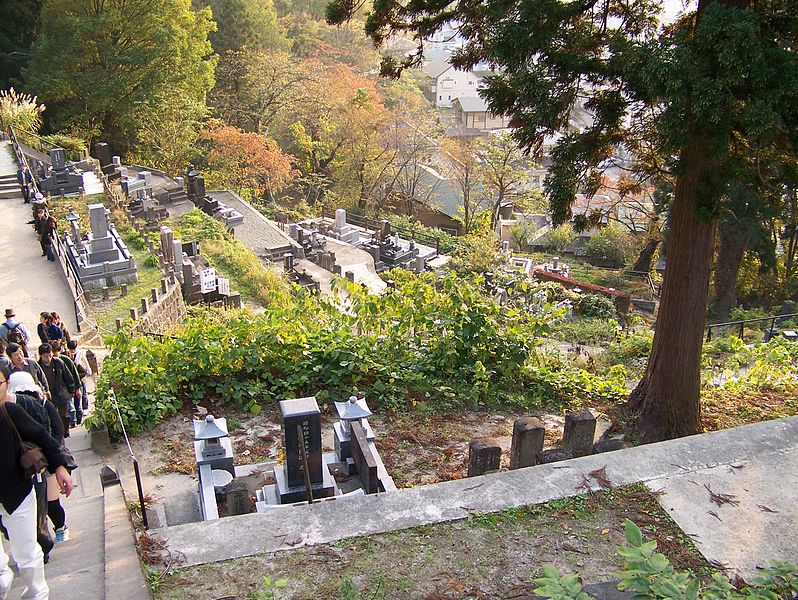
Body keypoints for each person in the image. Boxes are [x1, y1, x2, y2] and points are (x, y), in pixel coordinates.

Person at [0, 371, 73, 600]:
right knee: (2, 574)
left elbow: (42, 435)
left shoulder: (9, 411)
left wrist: (60, 467)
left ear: (7, 384)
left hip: (17, 492)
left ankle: (36, 595)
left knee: (27, 553)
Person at [7, 372, 64, 561]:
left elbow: (46, 431)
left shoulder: (25, 405)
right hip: (19, 474)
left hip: (34, 467)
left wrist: (53, 461)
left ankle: (43, 545)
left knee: (42, 507)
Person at [37, 344, 74, 437]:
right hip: (48, 395)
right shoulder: (38, 366)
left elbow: (68, 376)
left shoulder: (58, 362)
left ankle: (65, 431)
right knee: (52, 415)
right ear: (41, 355)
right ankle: (57, 433)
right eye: (46, 356)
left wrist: (71, 390)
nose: (48, 358)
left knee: (64, 415)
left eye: (50, 355)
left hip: (60, 392)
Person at [52, 346, 81, 426]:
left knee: (71, 406)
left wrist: (77, 387)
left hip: (68, 386)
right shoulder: (51, 362)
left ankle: (74, 421)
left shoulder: (65, 360)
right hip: (59, 388)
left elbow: (74, 374)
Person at [66, 340, 91, 412]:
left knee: (84, 391)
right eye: (71, 349)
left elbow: (85, 361)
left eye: (74, 349)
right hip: (72, 376)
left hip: (80, 374)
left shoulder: (80, 353)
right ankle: (77, 409)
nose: (73, 350)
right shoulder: (67, 354)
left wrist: (89, 370)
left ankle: (85, 407)